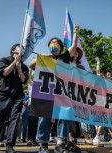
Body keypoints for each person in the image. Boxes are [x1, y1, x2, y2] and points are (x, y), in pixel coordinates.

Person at [29, 24, 79, 153]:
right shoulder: (44, 58)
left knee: (64, 116)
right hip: (46, 92)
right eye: (51, 43)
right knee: (44, 118)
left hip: (62, 93)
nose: (54, 44)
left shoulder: (65, 57)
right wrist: (44, 58)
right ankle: (43, 144)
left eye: (56, 43)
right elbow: (31, 65)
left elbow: (74, 45)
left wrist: (76, 31)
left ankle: (61, 142)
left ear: (61, 47)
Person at [0, 43, 29, 153]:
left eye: (22, 52)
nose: (20, 53)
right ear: (13, 52)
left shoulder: (24, 66)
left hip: (18, 95)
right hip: (4, 94)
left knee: (15, 118)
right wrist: (14, 63)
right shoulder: (4, 60)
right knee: (0, 118)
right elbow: (4, 73)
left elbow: (23, 80)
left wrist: (20, 69)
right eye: (18, 51)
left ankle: (10, 144)